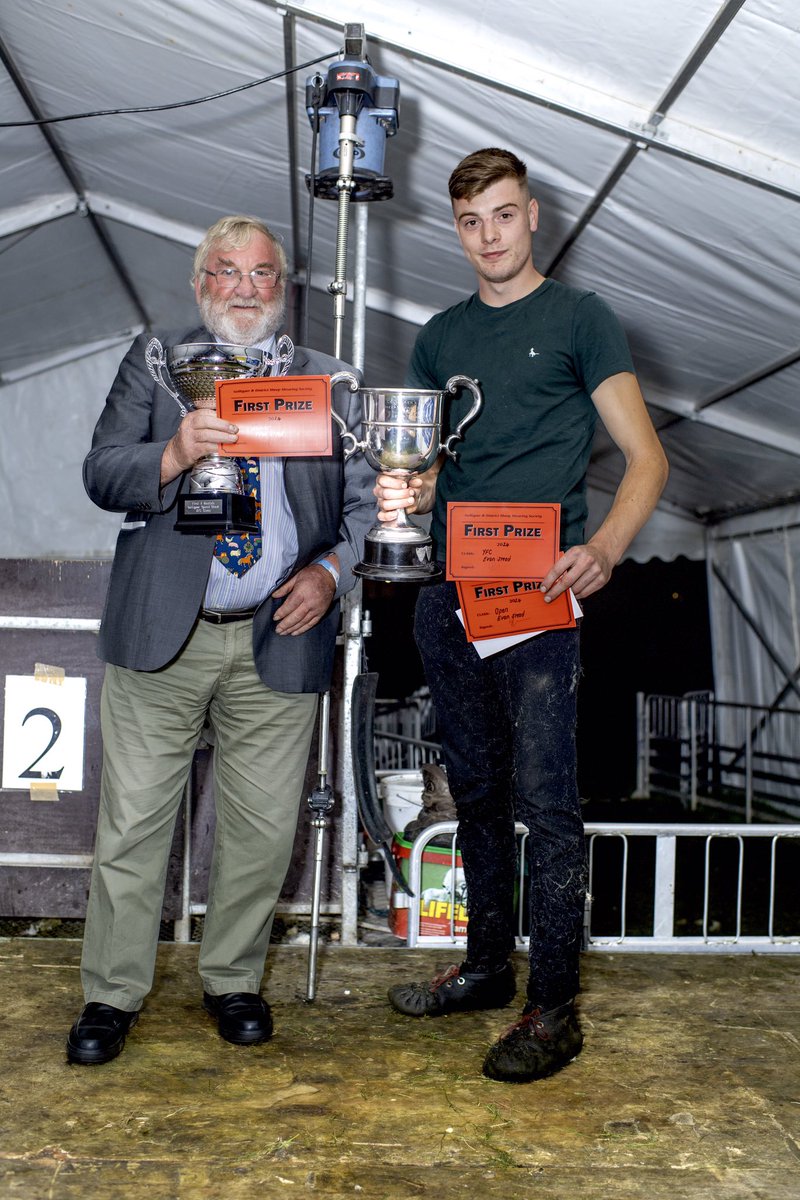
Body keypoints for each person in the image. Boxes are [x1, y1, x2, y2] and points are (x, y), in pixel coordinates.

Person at [375, 149, 668, 1082]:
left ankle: (555, 1007)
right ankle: (488, 969)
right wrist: (402, 498)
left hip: (541, 600)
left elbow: (645, 459)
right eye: (471, 222)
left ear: (533, 216)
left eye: (504, 216)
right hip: (449, 597)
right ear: (456, 228)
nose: (489, 237)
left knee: (547, 804)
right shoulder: (439, 336)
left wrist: (606, 550)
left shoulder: (582, 319)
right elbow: (424, 479)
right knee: (477, 794)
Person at [66, 215, 374, 1065]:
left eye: (264, 273)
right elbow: (101, 469)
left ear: (285, 287)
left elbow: (361, 505)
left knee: (265, 829)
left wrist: (332, 574)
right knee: (132, 827)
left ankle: (232, 978)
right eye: (228, 272)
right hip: (164, 631)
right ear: (202, 284)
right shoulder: (159, 363)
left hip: (281, 630)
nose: (246, 288)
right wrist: (169, 456)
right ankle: (110, 996)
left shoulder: (327, 381)